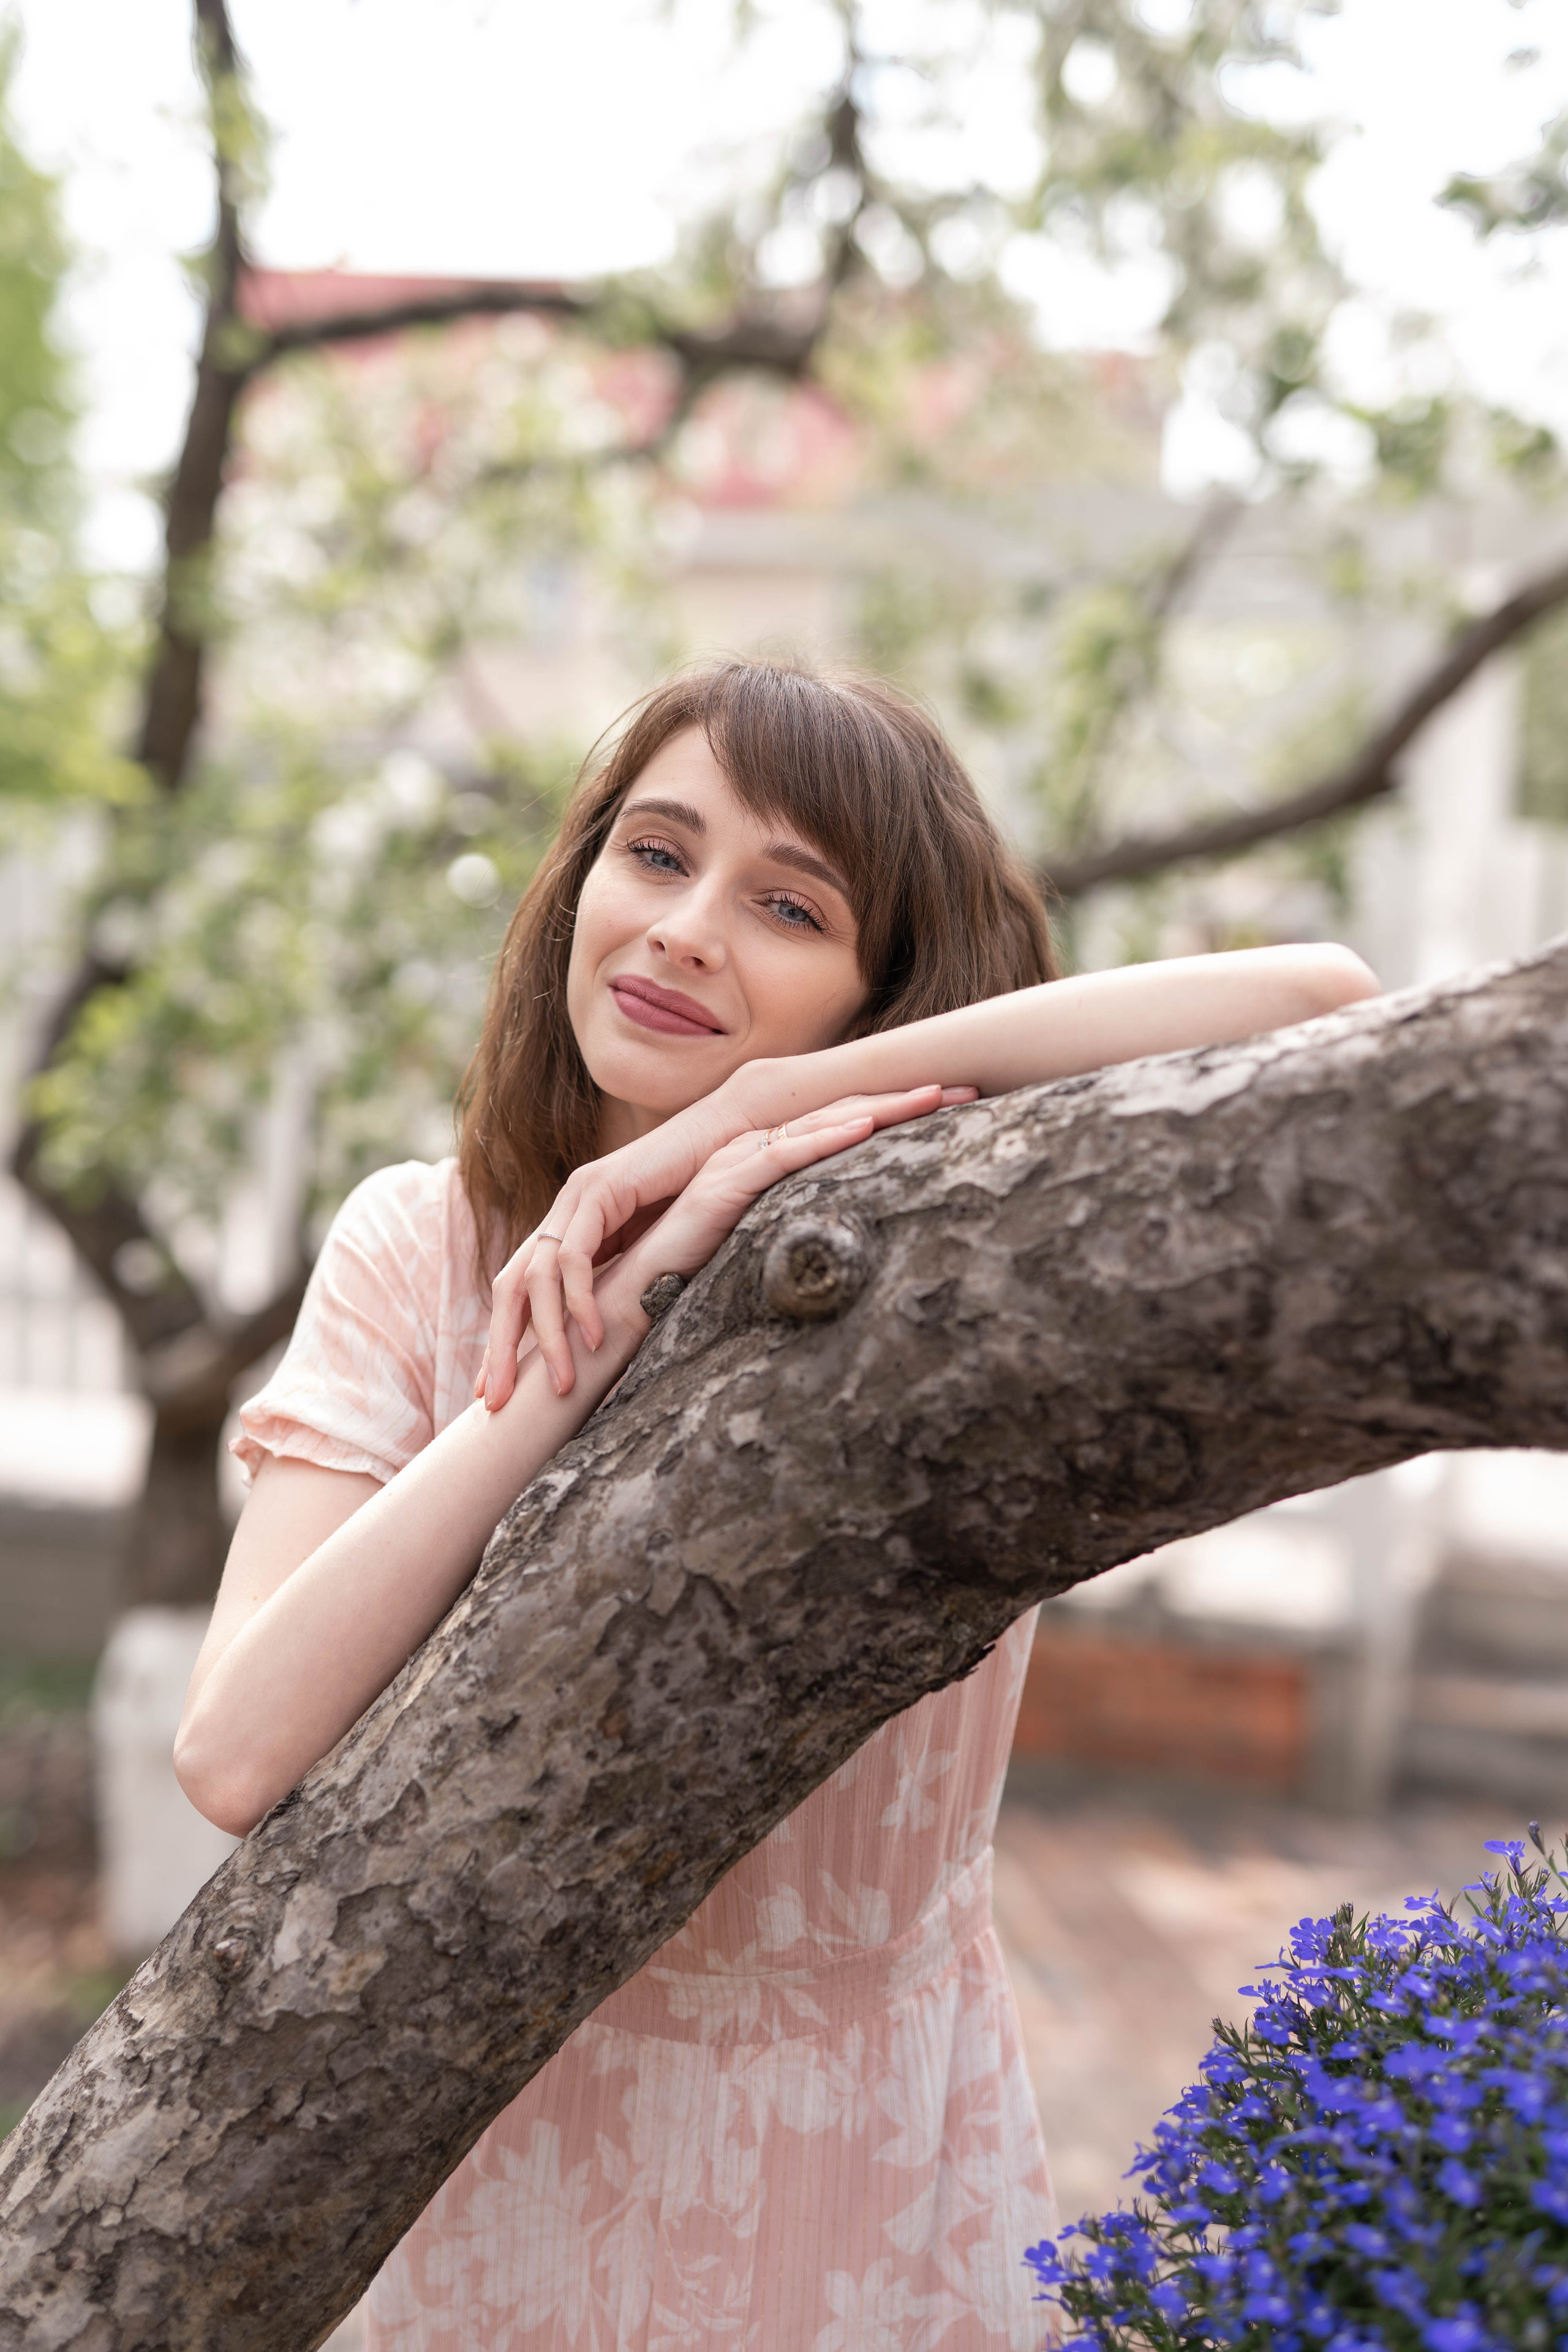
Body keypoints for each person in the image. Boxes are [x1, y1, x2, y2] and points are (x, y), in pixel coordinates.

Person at [176, 659, 1378, 2351]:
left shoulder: (943, 1259)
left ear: (875, 991)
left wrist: (763, 1109)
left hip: (860, 2161)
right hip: (497, 2158)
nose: (682, 930)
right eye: (656, 856)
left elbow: (1322, 1000)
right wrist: (602, 1324)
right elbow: (234, 1752)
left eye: (787, 904)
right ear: (582, 878)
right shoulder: (416, 1244)